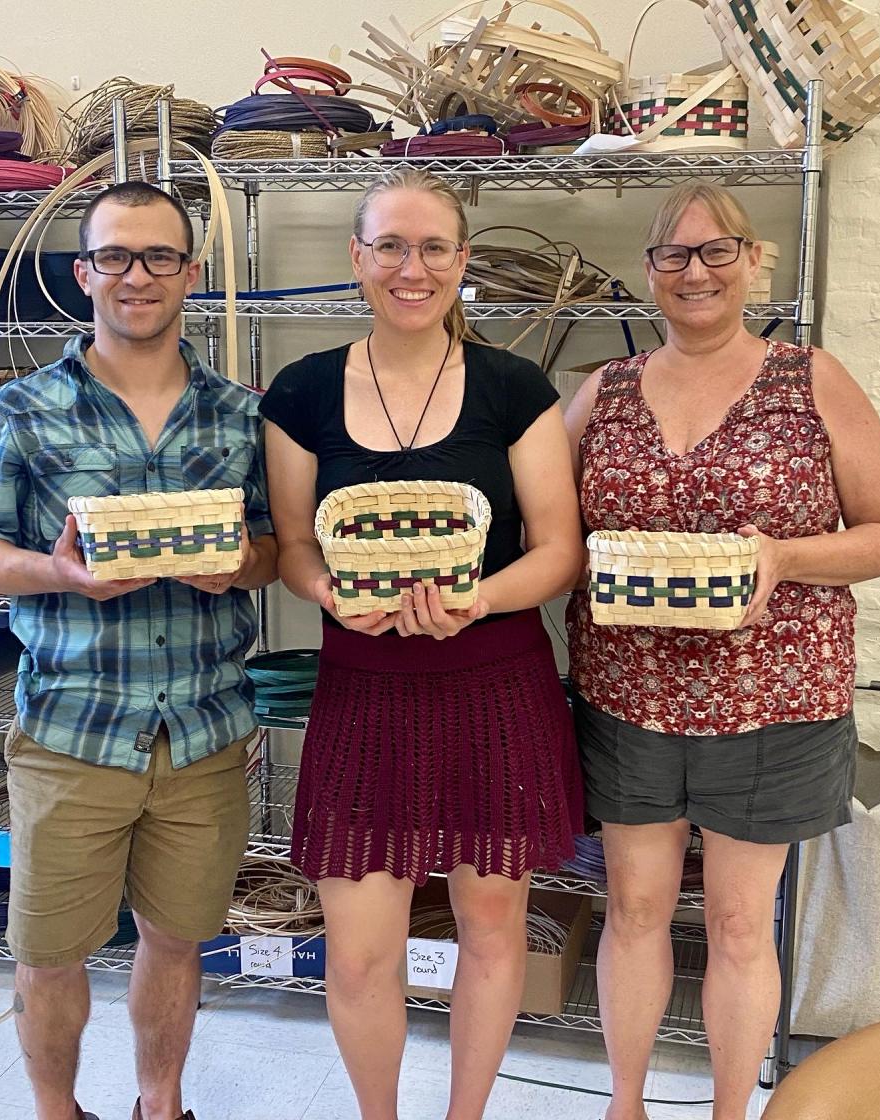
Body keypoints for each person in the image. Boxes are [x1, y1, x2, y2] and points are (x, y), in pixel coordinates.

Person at [0, 181, 277, 1120]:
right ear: (84, 272)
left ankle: (159, 1107)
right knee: (47, 952)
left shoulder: (239, 414)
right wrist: (62, 576)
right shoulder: (21, 410)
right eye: (117, 257)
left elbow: (275, 549)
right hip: (70, 731)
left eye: (159, 257)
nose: (138, 276)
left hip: (204, 731)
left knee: (175, 941)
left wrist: (236, 566)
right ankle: (58, 1113)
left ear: (191, 274)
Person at [564, 181, 880, 1120]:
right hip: (629, 696)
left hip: (773, 698)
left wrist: (781, 556)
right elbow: (542, 526)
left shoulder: (808, 379)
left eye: (719, 251)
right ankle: (623, 1106)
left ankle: (728, 1114)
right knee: (633, 911)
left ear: (755, 262)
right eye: (674, 254)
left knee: (743, 923)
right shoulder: (607, 391)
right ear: (650, 274)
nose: (696, 271)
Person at [261, 167, 583, 1120]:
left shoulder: (514, 387)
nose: (413, 267)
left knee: (492, 927)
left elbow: (559, 549)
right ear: (356, 259)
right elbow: (291, 545)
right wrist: (326, 590)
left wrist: (477, 599)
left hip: (493, 688)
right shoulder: (305, 390)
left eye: (434, 247)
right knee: (361, 949)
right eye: (391, 246)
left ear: (462, 262)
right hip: (364, 692)